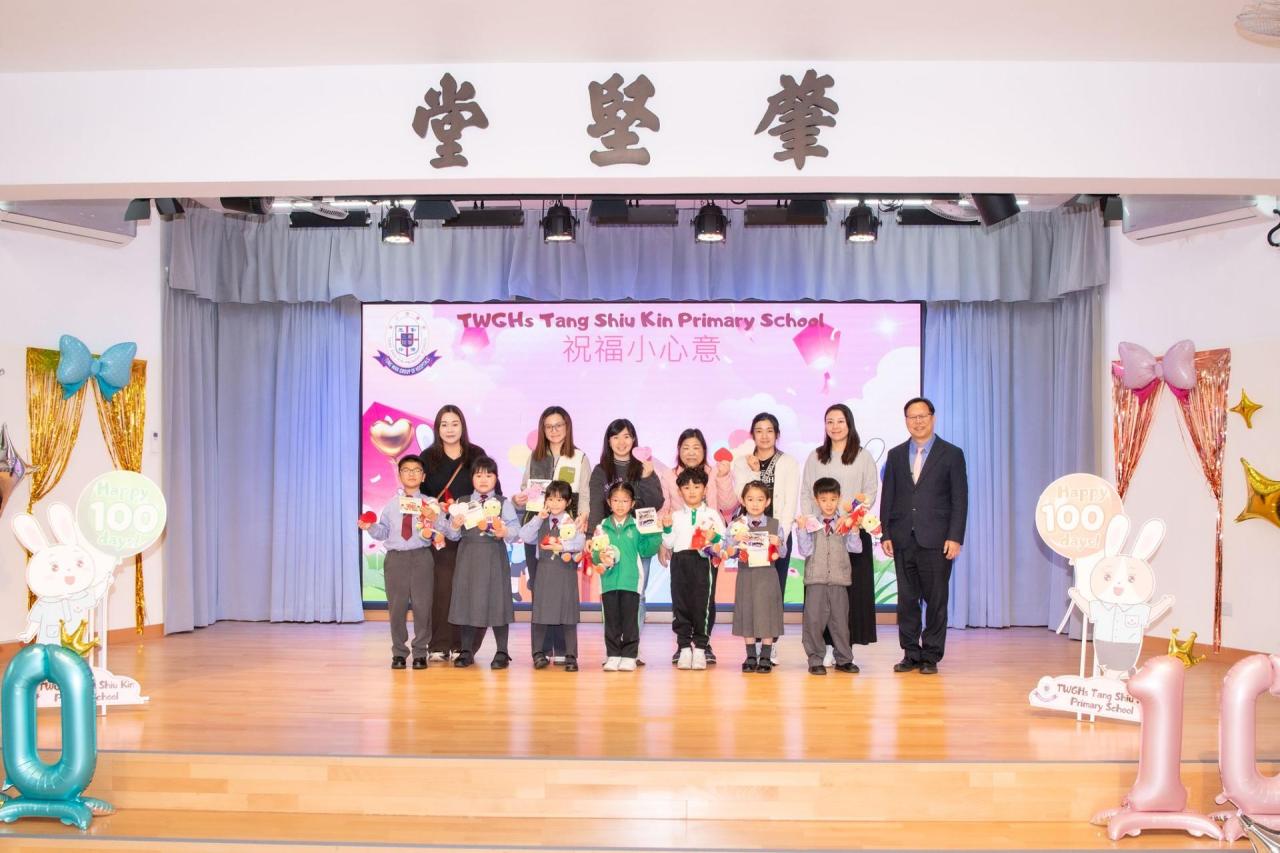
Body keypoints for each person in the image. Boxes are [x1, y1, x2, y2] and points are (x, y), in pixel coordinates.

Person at [880, 397, 968, 675]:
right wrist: (886, 532)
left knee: (936, 600)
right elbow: (888, 496)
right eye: (912, 417)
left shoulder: (951, 454)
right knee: (907, 600)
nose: (917, 421)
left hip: (937, 540)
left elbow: (960, 499)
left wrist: (955, 536)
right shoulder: (895, 455)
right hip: (903, 537)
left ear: (932, 417)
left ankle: (931, 655)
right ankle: (910, 653)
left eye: (922, 416)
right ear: (906, 420)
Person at [799, 403, 879, 665]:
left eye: (840, 421)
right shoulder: (816, 456)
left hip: (852, 531)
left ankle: (844, 652)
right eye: (829, 421)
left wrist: (851, 519)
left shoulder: (863, 456)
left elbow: (870, 491)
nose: (835, 426)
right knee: (819, 596)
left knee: (850, 595)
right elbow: (806, 493)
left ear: (849, 423)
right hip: (821, 533)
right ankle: (820, 649)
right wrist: (812, 522)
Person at [512, 406, 592, 663]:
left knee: (563, 589)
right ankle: (542, 650)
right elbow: (524, 488)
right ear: (542, 430)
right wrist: (519, 498)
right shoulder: (535, 457)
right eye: (548, 426)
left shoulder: (579, 457)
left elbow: (585, 492)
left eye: (559, 425)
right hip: (538, 527)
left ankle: (563, 649)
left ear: (567, 427)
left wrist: (584, 516)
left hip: (567, 530)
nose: (554, 430)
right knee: (540, 587)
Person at [656, 428, 738, 664]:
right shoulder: (669, 476)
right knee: (681, 599)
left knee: (705, 599)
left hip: (706, 555)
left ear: (704, 450)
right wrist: (664, 536)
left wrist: (723, 477)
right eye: (686, 448)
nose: (691, 452)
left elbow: (728, 505)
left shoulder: (715, 473)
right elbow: (664, 507)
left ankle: (703, 644)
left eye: (696, 447)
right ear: (678, 450)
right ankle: (683, 646)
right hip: (680, 550)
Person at [359, 455, 448, 670]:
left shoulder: (431, 503)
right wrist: (370, 527)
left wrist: (434, 517)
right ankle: (399, 653)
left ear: (423, 476)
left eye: (416, 470)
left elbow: (444, 530)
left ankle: (420, 652)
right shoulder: (391, 505)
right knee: (396, 608)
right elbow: (383, 532)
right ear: (399, 475)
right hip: (396, 559)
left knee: (422, 607)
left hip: (421, 557)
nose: (411, 474)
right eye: (406, 470)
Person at [587, 419, 663, 661]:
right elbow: (596, 505)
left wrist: (648, 476)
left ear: (634, 440)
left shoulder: (644, 466)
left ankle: (631, 651)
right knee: (611, 596)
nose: (622, 442)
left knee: (636, 595)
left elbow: (656, 503)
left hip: (638, 539)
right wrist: (591, 537)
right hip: (609, 541)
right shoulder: (601, 470)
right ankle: (613, 651)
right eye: (616, 436)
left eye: (627, 436)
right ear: (608, 441)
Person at [730, 412, 800, 665]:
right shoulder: (742, 462)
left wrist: (781, 535)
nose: (764, 436)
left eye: (769, 430)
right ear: (753, 434)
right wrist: (753, 471)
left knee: (773, 589)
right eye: (759, 430)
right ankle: (753, 646)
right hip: (750, 533)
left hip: (775, 533)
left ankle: (771, 645)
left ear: (777, 434)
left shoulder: (788, 462)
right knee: (751, 589)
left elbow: (790, 501)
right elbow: (743, 494)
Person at [420, 404, 488, 662]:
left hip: (472, 532)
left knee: (471, 588)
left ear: (463, 426)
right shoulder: (428, 457)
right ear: (437, 428)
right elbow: (419, 494)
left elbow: (490, 488)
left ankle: (465, 645)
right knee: (442, 588)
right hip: (441, 533)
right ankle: (439, 644)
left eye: (455, 423)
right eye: (444, 424)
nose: (450, 429)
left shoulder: (476, 454)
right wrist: (434, 507)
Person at [442, 455, 522, 669]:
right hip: (468, 557)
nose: (484, 479)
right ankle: (466, 651)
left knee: (498, 602)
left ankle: (502, 651)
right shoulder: (462, 502)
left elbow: (515, 530)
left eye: (489, 475)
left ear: (496, 478)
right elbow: (452, 536)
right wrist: (454, 525)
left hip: (494, 556)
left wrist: (504, 531)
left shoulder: (504, 503)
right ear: (472, 478)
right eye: (478, 475)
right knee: (467, 601)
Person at [794, 478, 863, 675]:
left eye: (833, 499)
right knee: (814, 622)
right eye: (824, 500)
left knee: (840, 623)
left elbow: (856, 548)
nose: (829, 504)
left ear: (839, 498)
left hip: (839, 580)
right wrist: (801, 529)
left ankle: (844, 659)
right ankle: (815, 659)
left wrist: (854, 529)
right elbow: (805, 550)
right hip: (815, 579)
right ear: (816, 500)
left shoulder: (844, 523)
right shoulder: (811, 523)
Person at [660, 467, 727, 670]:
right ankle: (684, 648)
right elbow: (669, 543)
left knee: (702, 606)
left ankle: (700, 648)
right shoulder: (675, 515)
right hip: (680, 562)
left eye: (696, 487)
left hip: (703, 562)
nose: (691, 491)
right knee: (680, 604)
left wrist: (714, 537)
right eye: (686, 487)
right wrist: (667, 528)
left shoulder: (712, 514)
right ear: (679, 491)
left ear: (705, 490)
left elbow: (723, 540)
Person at [592, 482, 662, 672]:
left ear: (632, 504)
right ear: (609, 502)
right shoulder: (602, 527)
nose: (620, 505)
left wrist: (655, 533)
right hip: (608, 582)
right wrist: (600, 556)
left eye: (625, 501)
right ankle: (613, 655)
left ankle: (630, 656)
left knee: (630, 621)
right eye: (616, 500)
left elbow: (647, 550)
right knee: (611, 621)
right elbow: (596, 554)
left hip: (631, 581)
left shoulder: (638, 526)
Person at [518, 480, 586, 672]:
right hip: (544, 570)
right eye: (551, 499)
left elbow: (580, 543)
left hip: (565, 571)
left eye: (559, 499)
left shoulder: (572, 522)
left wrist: (563, 546)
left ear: (568, 502)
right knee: (541, 612)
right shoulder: (541, 519)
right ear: (545, 500)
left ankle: (570, 655)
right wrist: (538, 518)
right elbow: (525, 535)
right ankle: (538, 653)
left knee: (568, 612)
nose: (555, 503)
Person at [727, 481, 786, 673]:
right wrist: (735, 542)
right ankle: (751, 655)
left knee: (767, 613)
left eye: (760, 499)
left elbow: (783, 553)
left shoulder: (775, 524)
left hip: (767, 575)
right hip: (746, 574)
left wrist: (778, 543)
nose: (755, 503)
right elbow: (728, 553)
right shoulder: (736, 525)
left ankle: (766, 656)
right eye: (750, 499)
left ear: (767, 502)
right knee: (747, 611)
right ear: (743, 501)